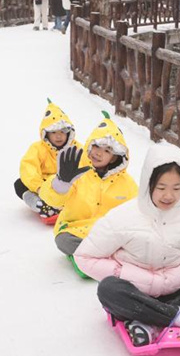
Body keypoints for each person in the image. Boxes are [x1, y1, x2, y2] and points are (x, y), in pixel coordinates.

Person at [74, 145, 180, 349]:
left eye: (176, 188)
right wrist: (124, 273)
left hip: (176, 293)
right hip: (135, 293)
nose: (168, 195)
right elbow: (84, 257)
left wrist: (179, 278)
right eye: (161, 188)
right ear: (148, 185)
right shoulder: (122, 217)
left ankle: (149, 324)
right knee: (109, 289)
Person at [47, 113, 138, 265]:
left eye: (107, 150)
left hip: (110, 234)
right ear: (89, 145)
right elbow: (53, 201)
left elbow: (137, 209)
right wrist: (61, 183)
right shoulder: (77, 173)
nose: (98, 152)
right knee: (63, 240)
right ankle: (111, 258)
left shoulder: (127, 183)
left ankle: (97, 258)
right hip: (78, 231)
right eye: (96, 146)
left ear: (115, 157)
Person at [14, 100, 83, 221]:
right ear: (46, 133)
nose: (58, 136)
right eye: (54, 132)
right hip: (43, 187)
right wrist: (40, 188)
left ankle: (66, 206)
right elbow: (28, 167)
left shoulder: (76, 148)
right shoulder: (37, 148)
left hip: (67, 188)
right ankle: (40, 205)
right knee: (20, 184)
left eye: (62, 132)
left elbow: (86, 168)